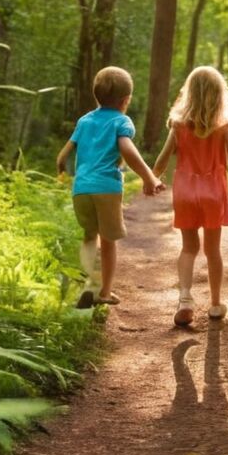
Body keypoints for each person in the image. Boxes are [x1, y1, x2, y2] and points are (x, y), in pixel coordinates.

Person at [56, 65, 163, 309]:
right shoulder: (120, 121)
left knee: (89, 236)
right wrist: (149, 177)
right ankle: (103, 291)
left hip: (81, 189)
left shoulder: (84, 121)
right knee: (109, 240)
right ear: (126, 100)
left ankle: (89, 285)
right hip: (106, 187)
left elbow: (63, 156)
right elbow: (127, 149)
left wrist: (62, 174)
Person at [153, 66, 228, 327]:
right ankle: (215, 304)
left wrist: (152, 180)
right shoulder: (223, 127)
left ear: (188, 94)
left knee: (188, 248)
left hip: (184, 191)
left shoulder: (178, 125)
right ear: (219, 96)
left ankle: (185, 299)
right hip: (213, 192)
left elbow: (161, 161)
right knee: (212, 249)